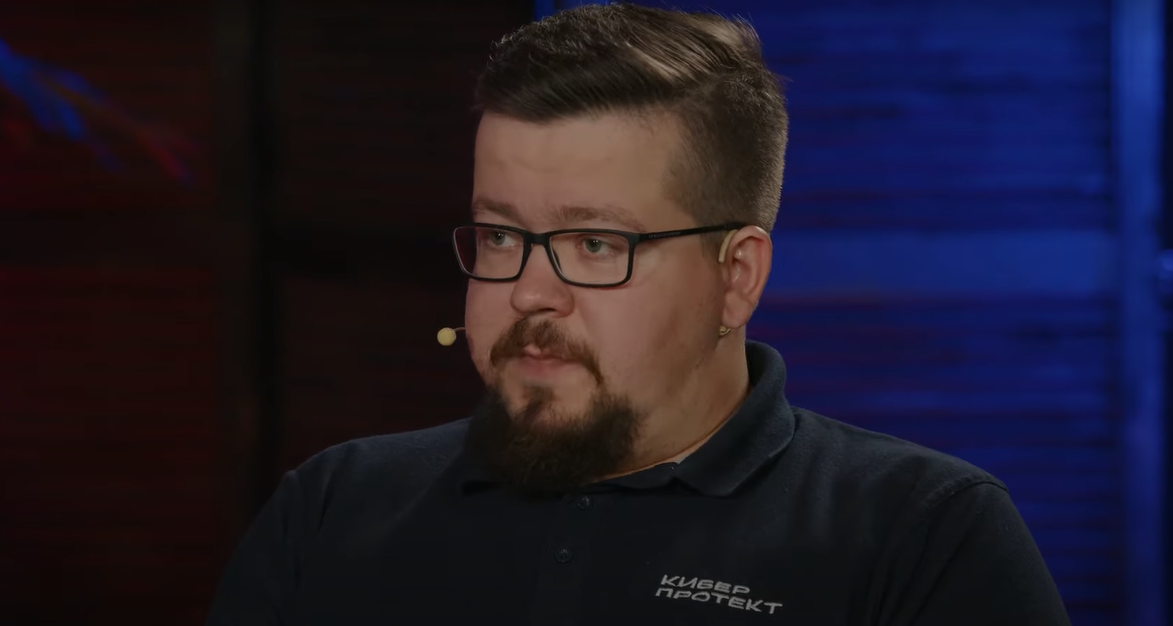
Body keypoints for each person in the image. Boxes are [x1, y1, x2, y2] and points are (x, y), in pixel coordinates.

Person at [205, 4, 1071, 624]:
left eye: (594, 244)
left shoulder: (922, 533)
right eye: (501, 236)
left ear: (736, 277)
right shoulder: (334, 508)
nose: (529, 293)